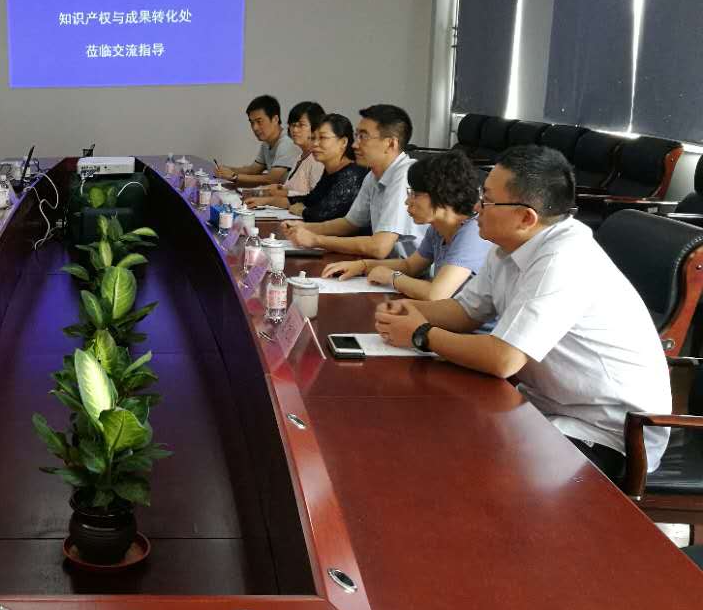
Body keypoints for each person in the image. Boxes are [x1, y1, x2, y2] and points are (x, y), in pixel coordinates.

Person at [374, 146, 670, 479]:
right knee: (440, 435)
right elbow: (465, 311)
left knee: (473, 470)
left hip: (610, 433)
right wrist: (409, 309)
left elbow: (504, 359)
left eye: (487, 201)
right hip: (547, 406)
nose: (476, 208)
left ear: (526, 218)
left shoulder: (563, 259)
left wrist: (421, 333)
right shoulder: (505, 246)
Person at [323, 150, 491, 300]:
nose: (407, 202)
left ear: (443, 195)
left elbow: (436, 294)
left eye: (415, 195)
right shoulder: (437, 229)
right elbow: (410, 266)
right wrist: (362, 266)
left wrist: (392, 278)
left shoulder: (473, 232)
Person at [281, 104, 427, 259]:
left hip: (409, 270)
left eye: (363, 137)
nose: (355, 145)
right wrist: (305, 227)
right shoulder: (373, 175)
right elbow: (349, 223)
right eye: (357, 136)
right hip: (386, 265)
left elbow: (379, 247)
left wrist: (316, 240)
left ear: (391, 144)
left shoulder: (405, 175)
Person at [262, 113, 367, 222]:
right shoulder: (329, 170)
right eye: (313, 138)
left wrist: (302, 211)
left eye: (322, 138)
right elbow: (310, 200)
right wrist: (266, 201)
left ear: (343, 142)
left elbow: (323, 214)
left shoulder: (352, 174)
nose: (315, 143)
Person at [242, 101, 325, 207]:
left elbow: (316, 199)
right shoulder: (300, 157)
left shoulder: (318, 159)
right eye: (292, 125)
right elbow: (292, 189)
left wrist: (281, 193)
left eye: (301, 125)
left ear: (316, 128)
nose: (295, 130)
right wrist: (276, 189)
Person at [214, 95, 299, 188]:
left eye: (259, 121)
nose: (255, 128)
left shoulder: (287, 143)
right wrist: (227, 169)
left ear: (275, 119)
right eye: (252, 122)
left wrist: (234, 176)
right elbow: (253, 170)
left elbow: (271, 179)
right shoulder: (266, 143)